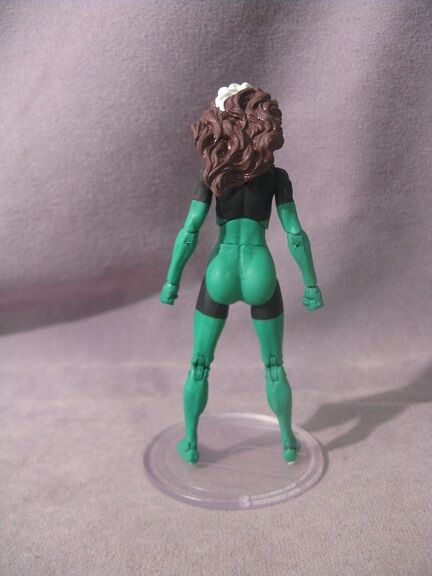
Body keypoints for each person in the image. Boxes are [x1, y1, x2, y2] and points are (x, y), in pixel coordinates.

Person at [160, 83, 323, 464]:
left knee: (200, 365)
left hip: (221, 269)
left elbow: (190, 231)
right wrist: (311, 283)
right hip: (259, 269)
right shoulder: (276, 177)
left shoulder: (212, 174)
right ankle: (287, 441)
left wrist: (171, 280)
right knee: (274, 365)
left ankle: (191, 443)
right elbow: (295, 234)